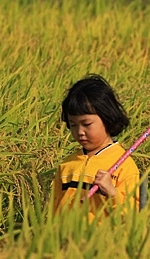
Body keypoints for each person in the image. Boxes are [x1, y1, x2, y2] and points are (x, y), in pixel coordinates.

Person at [53, 74, 142, 221]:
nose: (79, 132)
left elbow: (133, 217)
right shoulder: (67, 165)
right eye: (73, 125)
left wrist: (112, 193)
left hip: (103, 242)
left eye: (87, 124)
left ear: (106, 118)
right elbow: (54, 211)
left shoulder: (124, 165)